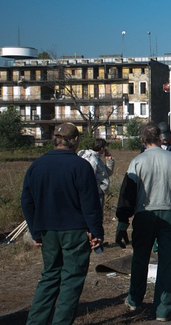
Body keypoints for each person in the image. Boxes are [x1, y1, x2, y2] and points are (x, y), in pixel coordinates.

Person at [21, 122, 104, 325]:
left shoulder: (37, 165)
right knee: (71, 280)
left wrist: (35, 230)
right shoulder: (80, 166)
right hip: (75, 231)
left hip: (47, 231)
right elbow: (90, 203)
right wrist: (95, 231)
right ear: (75, 141)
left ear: (55, 140)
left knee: (49, 277)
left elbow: (27, 201)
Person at [116, 122, 171, 322]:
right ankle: (164, 309)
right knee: (166, 262)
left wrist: (123, 223)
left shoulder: (137, 162)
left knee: (140, 259)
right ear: (160, 138)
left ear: (143, 141)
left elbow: (127, 195)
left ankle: (134, 300)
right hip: (170, 214)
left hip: (144, 215)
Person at [77, 138, 114, 206]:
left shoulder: (96, 158)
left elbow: (107, 173)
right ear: (102, 148)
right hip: (95, 193)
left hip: (97, 191)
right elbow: (89, 177)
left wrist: (109, 160)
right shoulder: (92, 159)